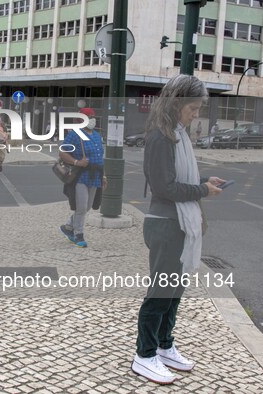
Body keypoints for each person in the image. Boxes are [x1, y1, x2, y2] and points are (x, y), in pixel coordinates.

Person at [131, 74, 225, 385]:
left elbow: (179, 179)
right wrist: (202, 191)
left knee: (174, 291)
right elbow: (164, 187)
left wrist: (204, 184)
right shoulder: (161, 137)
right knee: (160, 292)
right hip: (166, 224)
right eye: (194, 108)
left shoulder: (177, 134)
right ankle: (144, 355)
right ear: (177, 102)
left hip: (180, 224)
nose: (196, 114)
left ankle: (164, 344)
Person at [59, 108, 106, 248]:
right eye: (89, 116)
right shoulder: (75, 134)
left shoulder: (97, 135)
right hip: (81, 176)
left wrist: (104, 175)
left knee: (88, 206)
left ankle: (68, 226)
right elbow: (62, 151)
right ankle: (78, 234)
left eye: (93, 116)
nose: (92, 119)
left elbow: (100, 157)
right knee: (81, 207)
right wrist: (76, 162)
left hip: (96, 175)